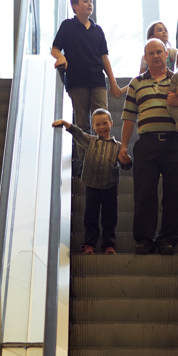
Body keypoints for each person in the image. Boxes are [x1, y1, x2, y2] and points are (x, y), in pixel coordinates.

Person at [121, 39, 178, 255]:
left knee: (176, 194)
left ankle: (167, 240)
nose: (156, 56)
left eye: (160, 52)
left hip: (176, 142)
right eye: (151, 53)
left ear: (167, 54)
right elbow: (129, 118)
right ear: (145, 57)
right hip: (146, 145)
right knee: (144, 193)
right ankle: (144, 240)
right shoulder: (136, 83)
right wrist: (123, 147)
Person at [50, 0, 123, 165]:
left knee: (103, 119)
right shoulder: (67, 26)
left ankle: (106, 159)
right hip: (77, 82)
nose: (90, 3)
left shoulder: (98, 30)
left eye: (91, 0)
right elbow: (54, 48)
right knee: (82, 123)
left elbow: (104, 57)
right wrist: (61, 57)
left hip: (98, 81)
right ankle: (85, 162)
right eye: (85, 1)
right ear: (75, 6)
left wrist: (113, 83)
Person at [53, 108, 131, 255]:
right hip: (92, 186)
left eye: (105, 123)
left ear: (111, 123)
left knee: (110, 217)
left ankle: (109, 245)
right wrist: (65, 123)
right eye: (98, 124)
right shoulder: (90, 141)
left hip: (110, 187)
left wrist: (127, 161)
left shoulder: (118, 146)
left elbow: (126, 165)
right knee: (91, 216)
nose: (102, 127)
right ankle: (90, 244)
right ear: (93, 126)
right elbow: (78, 133)